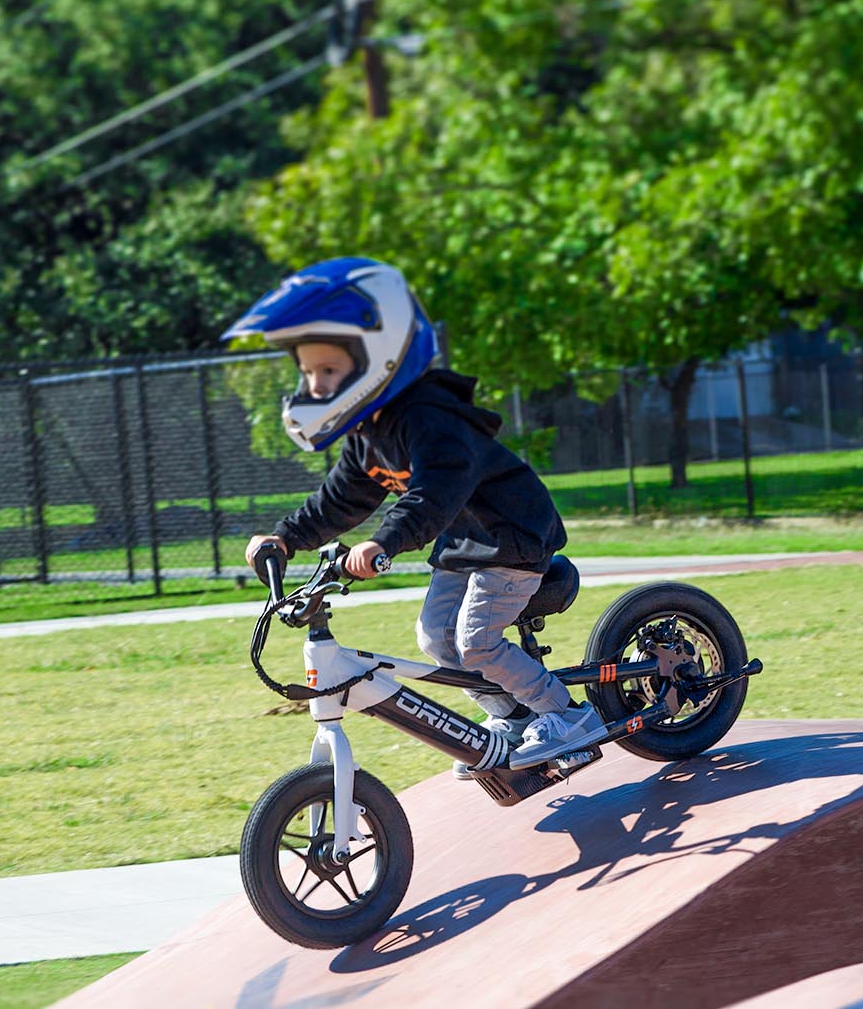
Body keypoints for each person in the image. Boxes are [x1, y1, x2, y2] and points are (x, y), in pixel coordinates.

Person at [225, 257, 603, 774]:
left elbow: (433, 495)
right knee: (435, 638)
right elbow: (340, 500)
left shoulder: (431, 418)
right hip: (464, 544)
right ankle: (512, 714)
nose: (315, 385)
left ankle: (568, 716)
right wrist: (286, 539)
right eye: (308, 372)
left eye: (329, 371)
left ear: (377, 359)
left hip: (512, 535)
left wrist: (383, 544)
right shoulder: (367, 434)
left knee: (477, 641)